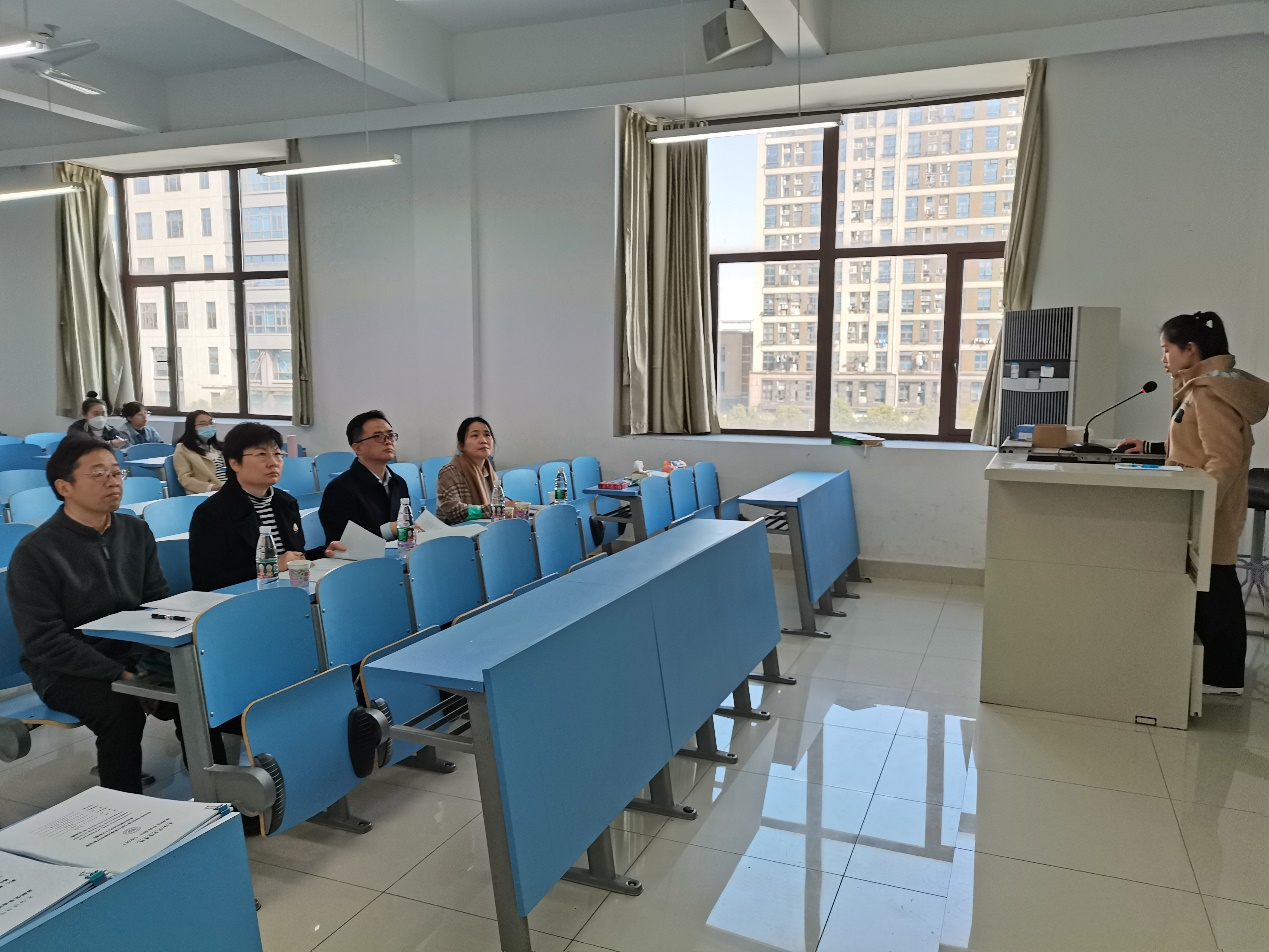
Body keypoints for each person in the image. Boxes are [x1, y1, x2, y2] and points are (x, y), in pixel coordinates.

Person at [1117, 311, 1269, 695]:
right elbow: (1194, 444)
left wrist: (1200, 510)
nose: (1163, 358)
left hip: (1211, 506)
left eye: (1167, 349)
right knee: (1212, 585)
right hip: (1207, 501)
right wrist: (1150, 448)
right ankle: (1215, 675)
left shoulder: (1209, 392)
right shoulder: (1201, 388)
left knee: (1216, 586)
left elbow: (1223, 460)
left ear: (1190, 349)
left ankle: (1220, 678)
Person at [5, 438, 167, 793]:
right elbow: (44, 641)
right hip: (64, 669)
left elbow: (157, 602)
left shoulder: (135, 530)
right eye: (99, 474)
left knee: (195, 685)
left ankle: (218, 786)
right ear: (64, 487)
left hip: (130, 652)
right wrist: (119, 674)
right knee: (120, 708)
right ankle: (124, 806)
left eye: (116, 472)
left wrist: (150, 661)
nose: (113, 481)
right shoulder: (36, 552)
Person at [189, 423, 343, 591]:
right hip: (243, 598)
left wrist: (322, 552)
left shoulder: (286, 503)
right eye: (262, 454)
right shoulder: (211, 513)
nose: (273, 462)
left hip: (288, 591)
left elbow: (292, 557)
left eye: (277, 454)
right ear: (235, 463)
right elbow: (206, 583)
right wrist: (272, 567)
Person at [318, 411, 410, 545]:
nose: (388, 441)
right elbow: (340, 543)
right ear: (358, 448)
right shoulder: (339, 489)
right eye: (378, 436)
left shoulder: (398, 483)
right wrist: (389, 530)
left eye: (390, 435)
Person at [435, 416, 505, 525]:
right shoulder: (449, 473)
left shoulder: (491, 473)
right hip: (457, 532)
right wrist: (496, 509)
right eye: (475, 435)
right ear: (462, 445)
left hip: (486, 530)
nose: (483, 440)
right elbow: (454, 510)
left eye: (487, 435)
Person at [172, 409, 226, 494]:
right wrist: (212, 487)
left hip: (228, 488)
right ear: (192, 427)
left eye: (211, 423)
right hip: (208, 492)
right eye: (203, 424)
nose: (208, 426)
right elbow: (185, 478)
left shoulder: (219, 447)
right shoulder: (183, 449)